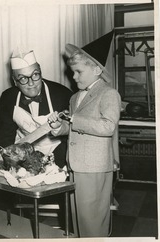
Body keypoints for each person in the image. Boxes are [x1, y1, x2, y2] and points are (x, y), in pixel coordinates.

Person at [47, 31, 121, 237]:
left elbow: (108, 127)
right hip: (76, 165)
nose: (73, 76)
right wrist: (58, 127)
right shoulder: (75, 98)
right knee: (77, 216)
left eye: (78, 71)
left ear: (97, 69)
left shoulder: (108, 94)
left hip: (95, 167)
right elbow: (73, 128)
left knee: (92, 220)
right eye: (73, 72)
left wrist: (73, 119)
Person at [0, 48, 73, 168]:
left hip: (58, 154)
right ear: (15, 81)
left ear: (41, 72)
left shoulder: (62, 94)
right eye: (23, 78)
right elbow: (4, 137)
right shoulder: (8, 98)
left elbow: (72, 133)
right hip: (24, 156)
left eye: (35, 75)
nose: (31, 83)